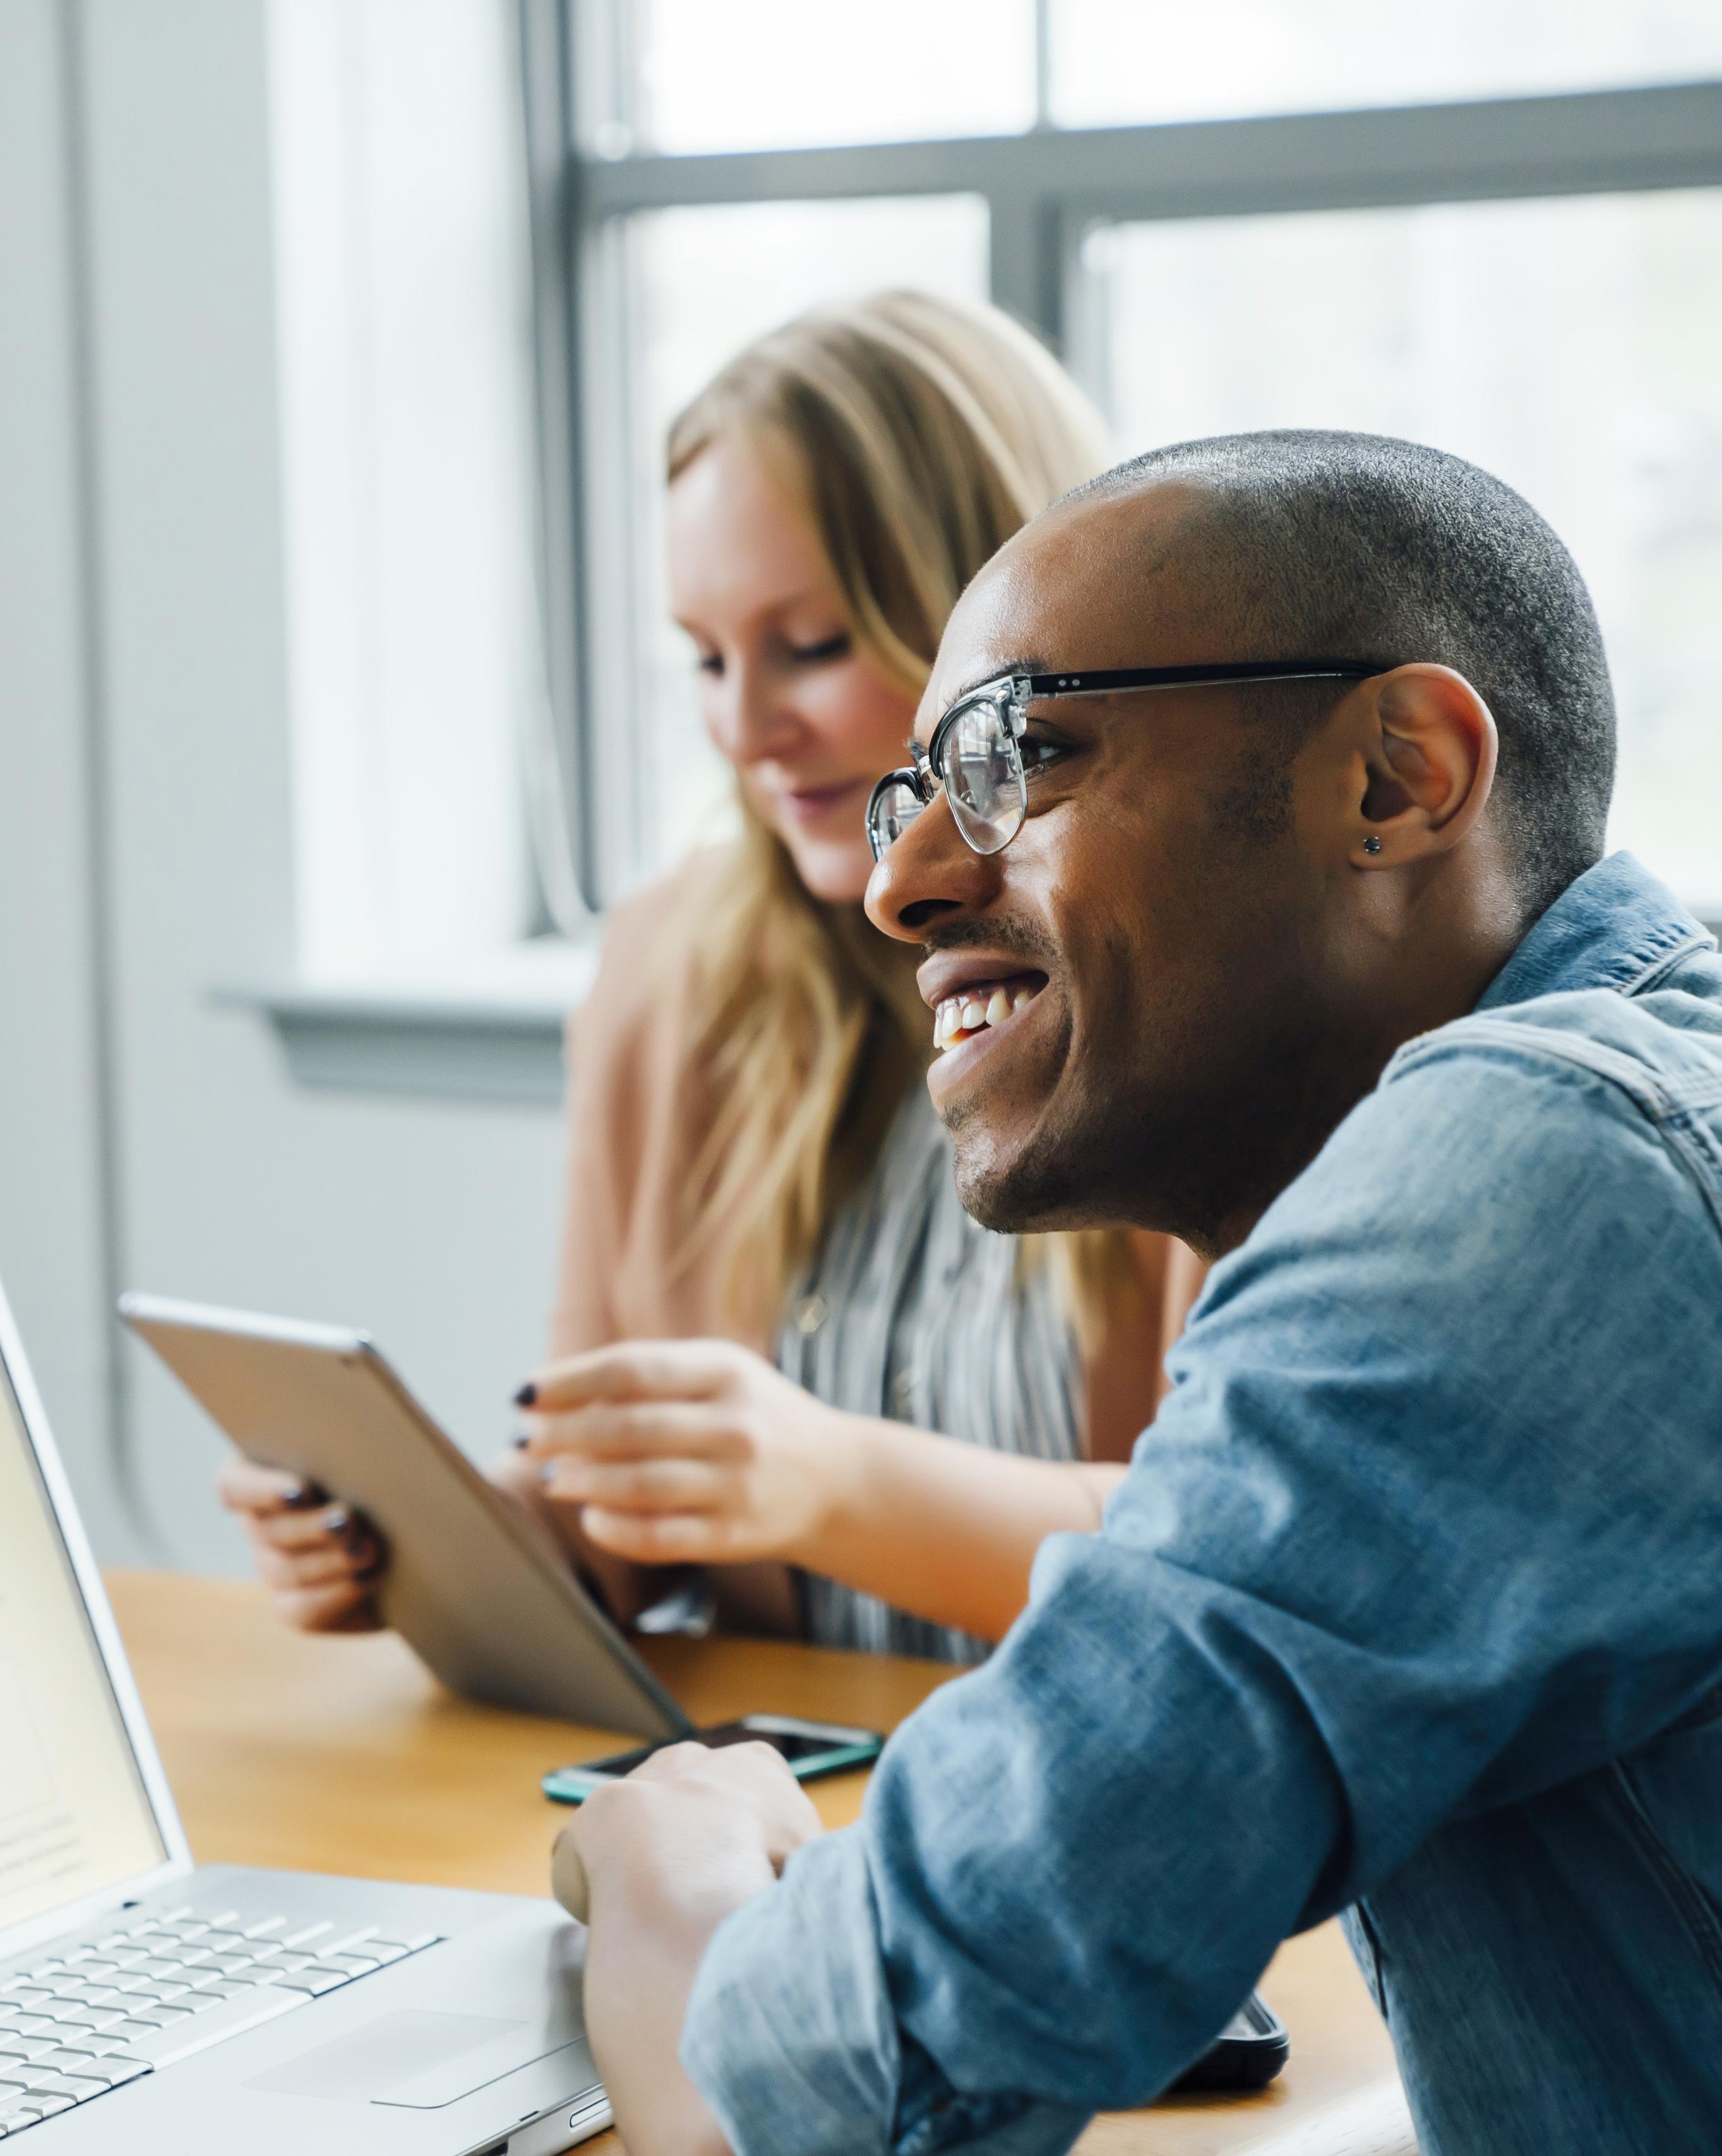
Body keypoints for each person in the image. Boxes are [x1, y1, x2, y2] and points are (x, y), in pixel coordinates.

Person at [563, 429, 1722, 2153]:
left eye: (1020, 755)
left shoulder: (1541, 1171)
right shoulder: (1698, 1100)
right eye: (915, 794)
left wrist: (667, 1865)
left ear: (1398, 775)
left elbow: (820, 2105)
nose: (903, 885)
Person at [223, 292, 1202, 1661]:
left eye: (809, 646)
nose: (742, 726)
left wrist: (828, 1484)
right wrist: (419, 1539)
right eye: (701, 657)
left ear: (993, 623)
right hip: (801, 1792)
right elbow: (615, 1523)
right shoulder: (666, 970)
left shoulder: (1207, 975)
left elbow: (1244, 1566)